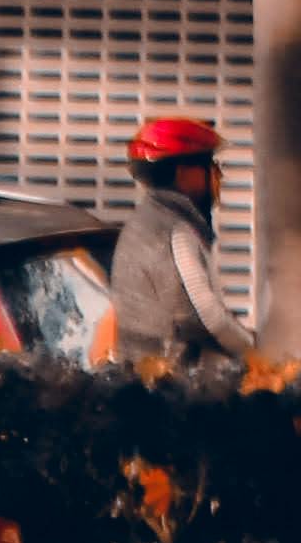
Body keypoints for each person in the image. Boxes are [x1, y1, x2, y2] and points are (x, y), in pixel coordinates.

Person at [104, 111, 250, 360]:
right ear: (183, 173)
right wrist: (255, 351)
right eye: (210, 165)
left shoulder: (144, 222)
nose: (219, 175)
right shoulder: (174, 229)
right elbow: (205, 317)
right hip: (171, 387)